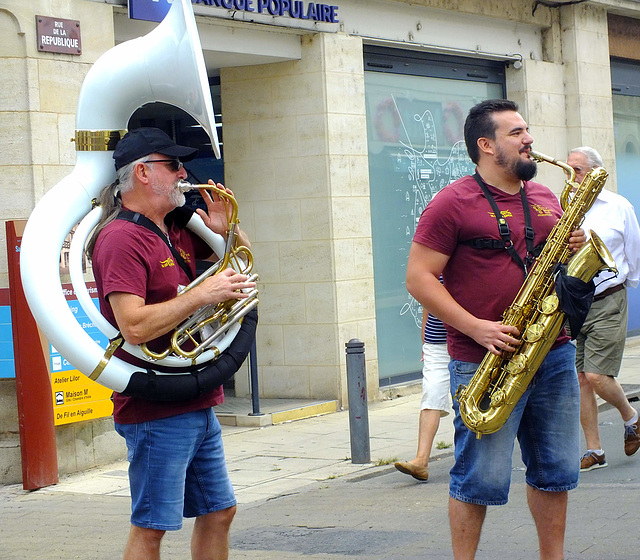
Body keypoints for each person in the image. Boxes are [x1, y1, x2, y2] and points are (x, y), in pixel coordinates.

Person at [406, 99, 587, 560]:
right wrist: (476, 327)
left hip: (554, 351)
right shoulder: (451, 203)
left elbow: (554, 271)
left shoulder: (547, 197)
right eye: (516, 133)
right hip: (484, 357)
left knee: (556, 470)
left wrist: (573, 248)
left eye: (527, 130)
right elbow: (419, 278)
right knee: (478, 476)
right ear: (486, 145)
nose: (529, 139)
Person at [87, 127, 256, 560]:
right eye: (173, 165)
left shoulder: (175, 228)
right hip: (155, 408)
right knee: (153, 528)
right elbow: (134, 326)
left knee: (220, 511)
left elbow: (241, 267)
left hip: (196, 398)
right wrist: (201, 295)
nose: (184, 173)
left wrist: (226, 230)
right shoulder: (120, 238)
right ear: (142, 173)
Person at [566, 146, 640, 471]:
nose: (572, 177)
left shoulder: (619, 205)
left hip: (609, 296)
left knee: (596, 374)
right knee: (581, 378)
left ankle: (632, 417)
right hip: (576, 300)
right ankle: (594, 449)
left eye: (578, 170)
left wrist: (626, 284)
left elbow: (634, 248)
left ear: (596, 172)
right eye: (568, 170)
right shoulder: (566, 205)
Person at [394, 308, 450, 482]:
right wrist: (426, 341)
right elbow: (428, 300)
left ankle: (473, 461)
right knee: (432, 394)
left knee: (468, 400)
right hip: (437, 342)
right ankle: (421, 461)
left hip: (472, 340)